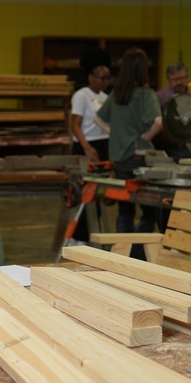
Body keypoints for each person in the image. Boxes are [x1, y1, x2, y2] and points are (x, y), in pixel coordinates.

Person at [96, 47, 162, 259]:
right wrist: (145, 138)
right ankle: (138, 253)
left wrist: (115, 134)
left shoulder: (117, 94)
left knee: (125, 209)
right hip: (139, 158)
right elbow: (159, 122)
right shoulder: (146, 95)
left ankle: (122, 253)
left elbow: (98, 119)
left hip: (120, 159)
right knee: (149, 210)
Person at [68, 47, 111, 244]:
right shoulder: (81, 95)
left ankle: (91, 234)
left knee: (99, 194)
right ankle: (79, 237)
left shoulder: (106, 97)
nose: (103, 82)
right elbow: (75, 124)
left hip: (102, 145)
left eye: (107, 78)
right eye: (100, 77)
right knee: (85, 194)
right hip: (86, 146)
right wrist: (86, 147)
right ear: (91, 76)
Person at [153, 61, 191, 162]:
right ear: (168, 80)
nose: (179, 82)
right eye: (175, 79)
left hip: (187, 143)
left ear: (187, 78)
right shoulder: (160, 97)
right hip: (164, 144)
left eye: (182, 78)